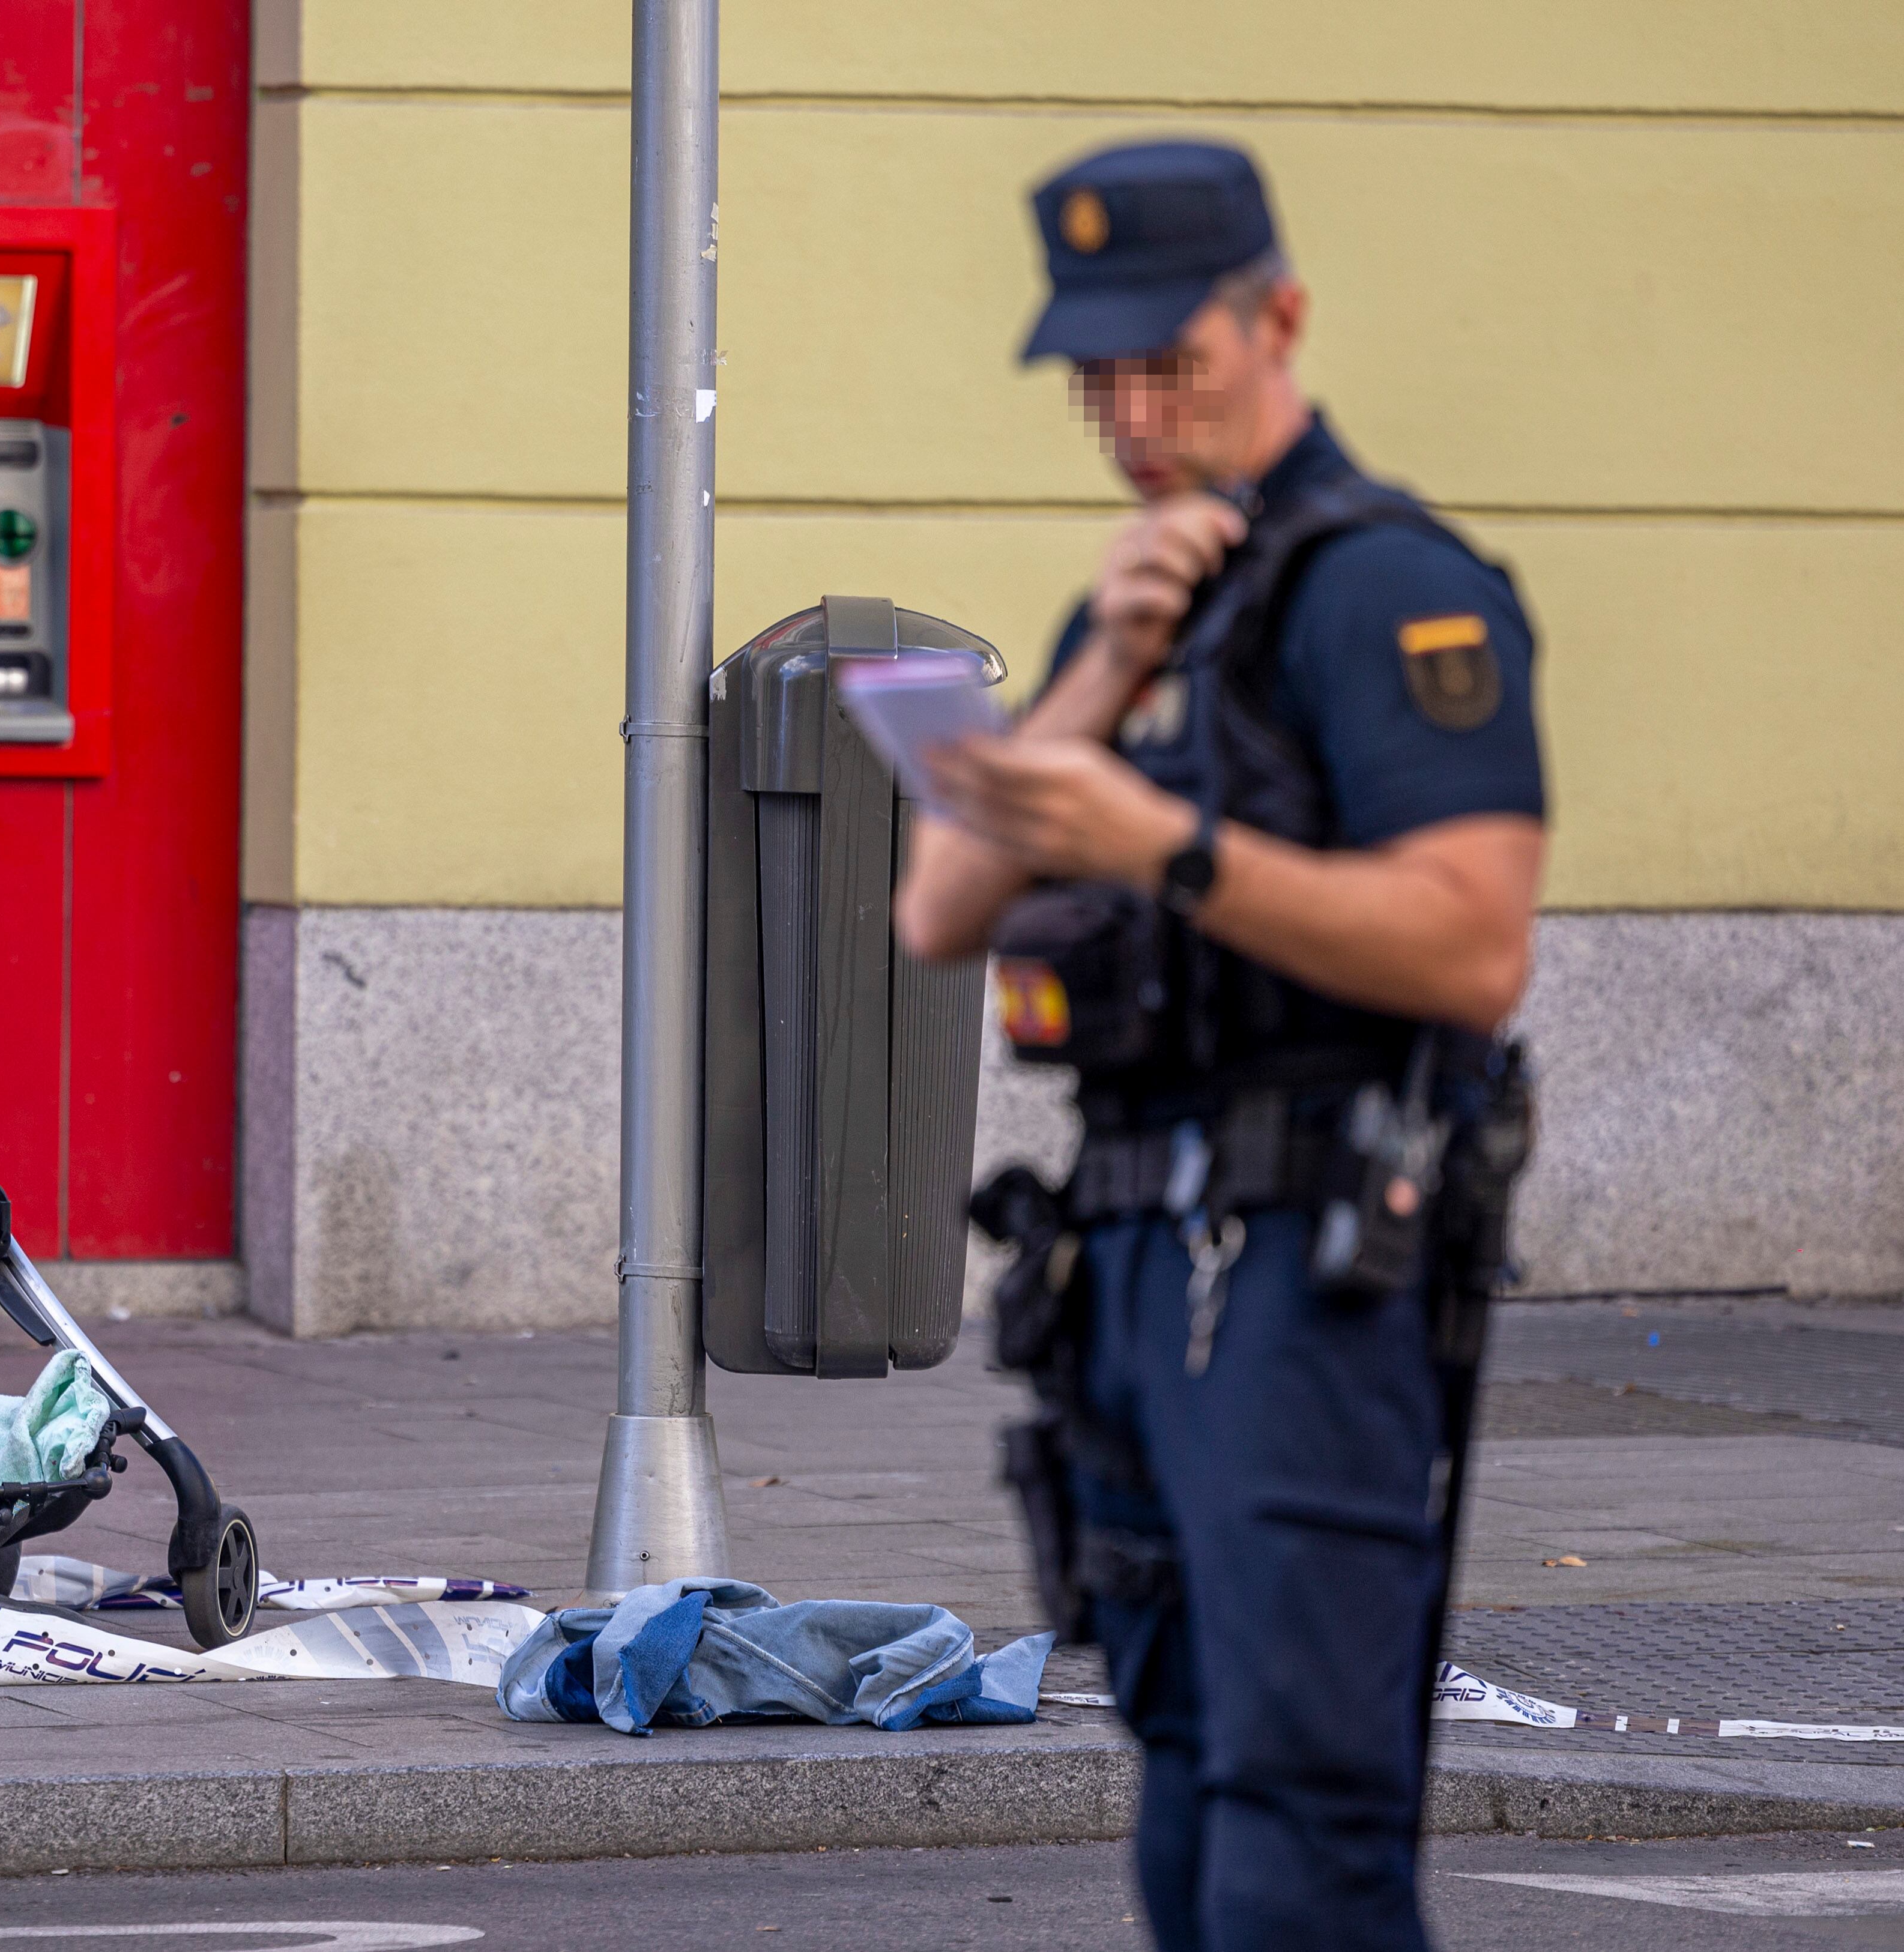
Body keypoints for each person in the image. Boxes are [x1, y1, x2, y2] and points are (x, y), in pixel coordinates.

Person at [893, 141, 1546, 1951]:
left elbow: (1474, 939)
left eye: (1164, 361)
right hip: (1127, 1265)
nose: (1128, 412)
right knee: (1184, 1796)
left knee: (1295, 1818)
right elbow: (938, 905)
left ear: (1277, 319)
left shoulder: (1384, 588)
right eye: (1093, 375)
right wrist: (1100, 665)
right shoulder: (1139, 607)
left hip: (1306, 1263)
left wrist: (1162, 848)